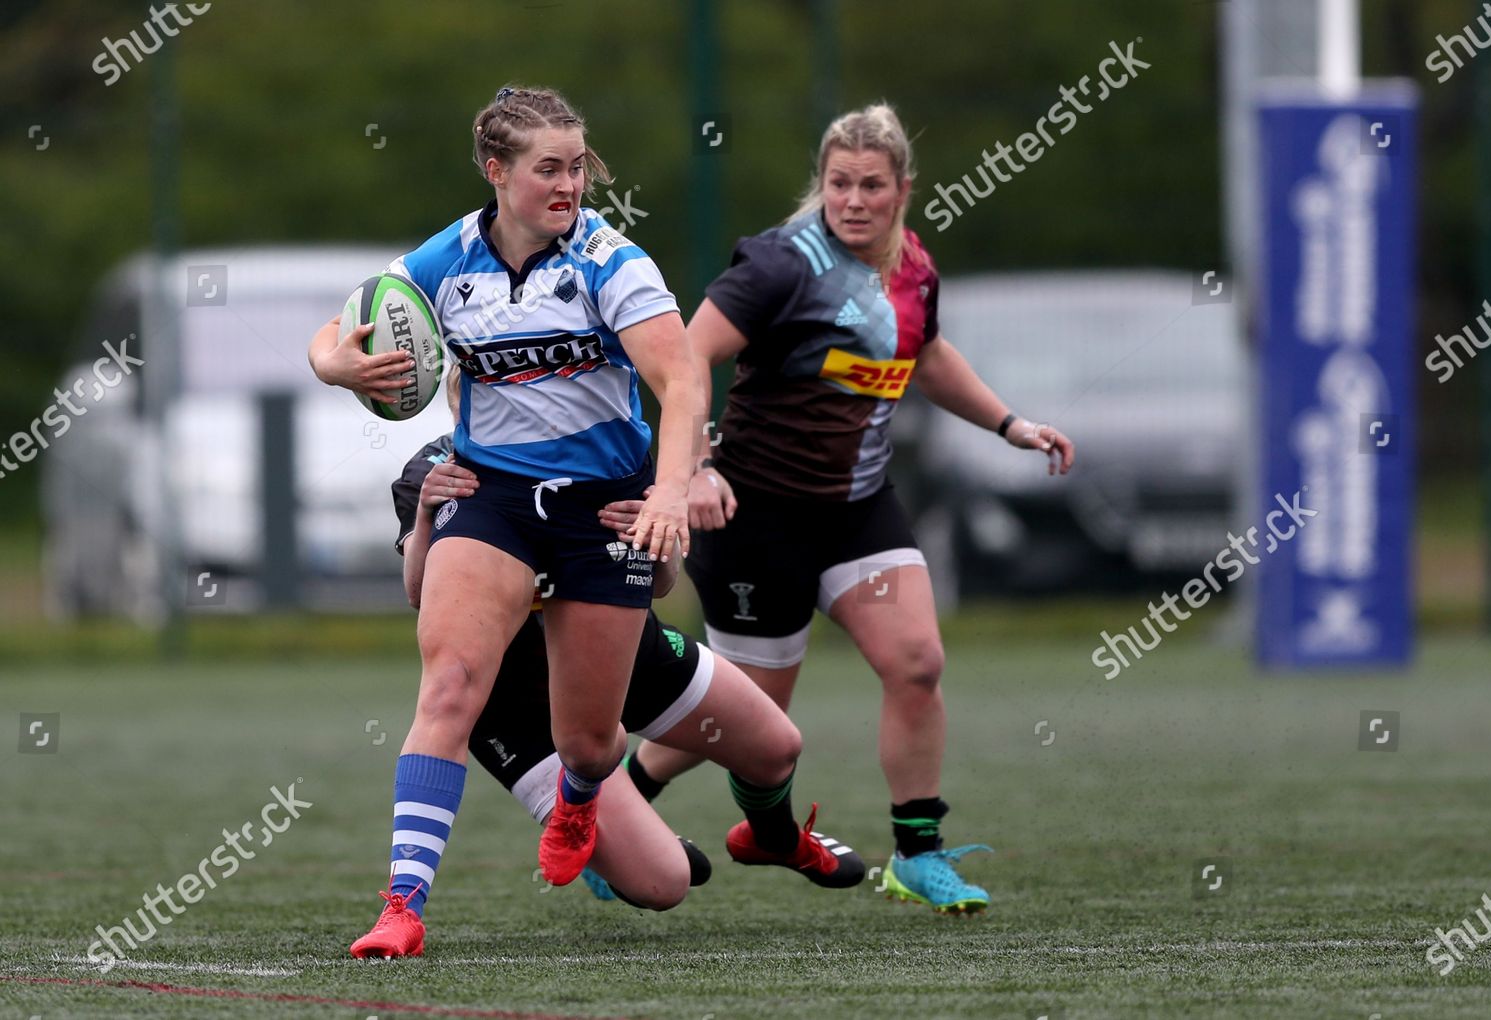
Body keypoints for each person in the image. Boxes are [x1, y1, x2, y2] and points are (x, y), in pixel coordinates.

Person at [633, 103, 1077, 915]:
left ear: (903, 188)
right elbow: (686, 355)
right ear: (822, 184)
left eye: (872, 185)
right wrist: (693, 467)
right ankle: (615, 812)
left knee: (918, 664)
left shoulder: (914, 271)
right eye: (840, 183)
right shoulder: (777, 265)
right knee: (751, 723)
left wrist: (1010, 423)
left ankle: (918, 852)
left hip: (856, 510)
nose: (854, 199)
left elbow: (928, 353)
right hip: (752, 515)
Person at [308, 86, 701, 956]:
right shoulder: (450, 258)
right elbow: (336, 330)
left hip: (602, 506)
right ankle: (402, 906)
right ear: (497, 171)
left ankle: (580, 794)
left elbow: (682, 383)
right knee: (449, 687)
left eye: (576, 167)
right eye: (547, 169)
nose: (568, 185)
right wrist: (341, 369)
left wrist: (672, 489)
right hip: (492, 498)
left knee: (590, 740)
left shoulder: (612, 262)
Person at [347, 398, 863, 957]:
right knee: (664, 882)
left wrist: (655, 529)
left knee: (777, 747)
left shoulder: (606, 451)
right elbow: (422, 594)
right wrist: (425, 516)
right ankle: (589, 833)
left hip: (626, 656)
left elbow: (660, 580)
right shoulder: (439, 471)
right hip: (518, 703)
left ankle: (774, 837)